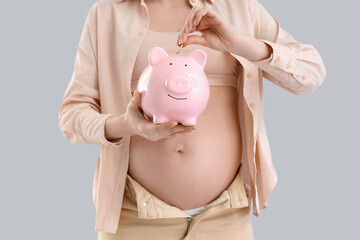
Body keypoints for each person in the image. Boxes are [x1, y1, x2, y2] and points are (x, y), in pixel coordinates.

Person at [58, 0, 326, 239]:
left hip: (226, 218)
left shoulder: (239, 8)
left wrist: (239, 43)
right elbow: (71, 115)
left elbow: (312, 72)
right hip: (134, 219)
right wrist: (124, 125)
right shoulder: (105, 15)